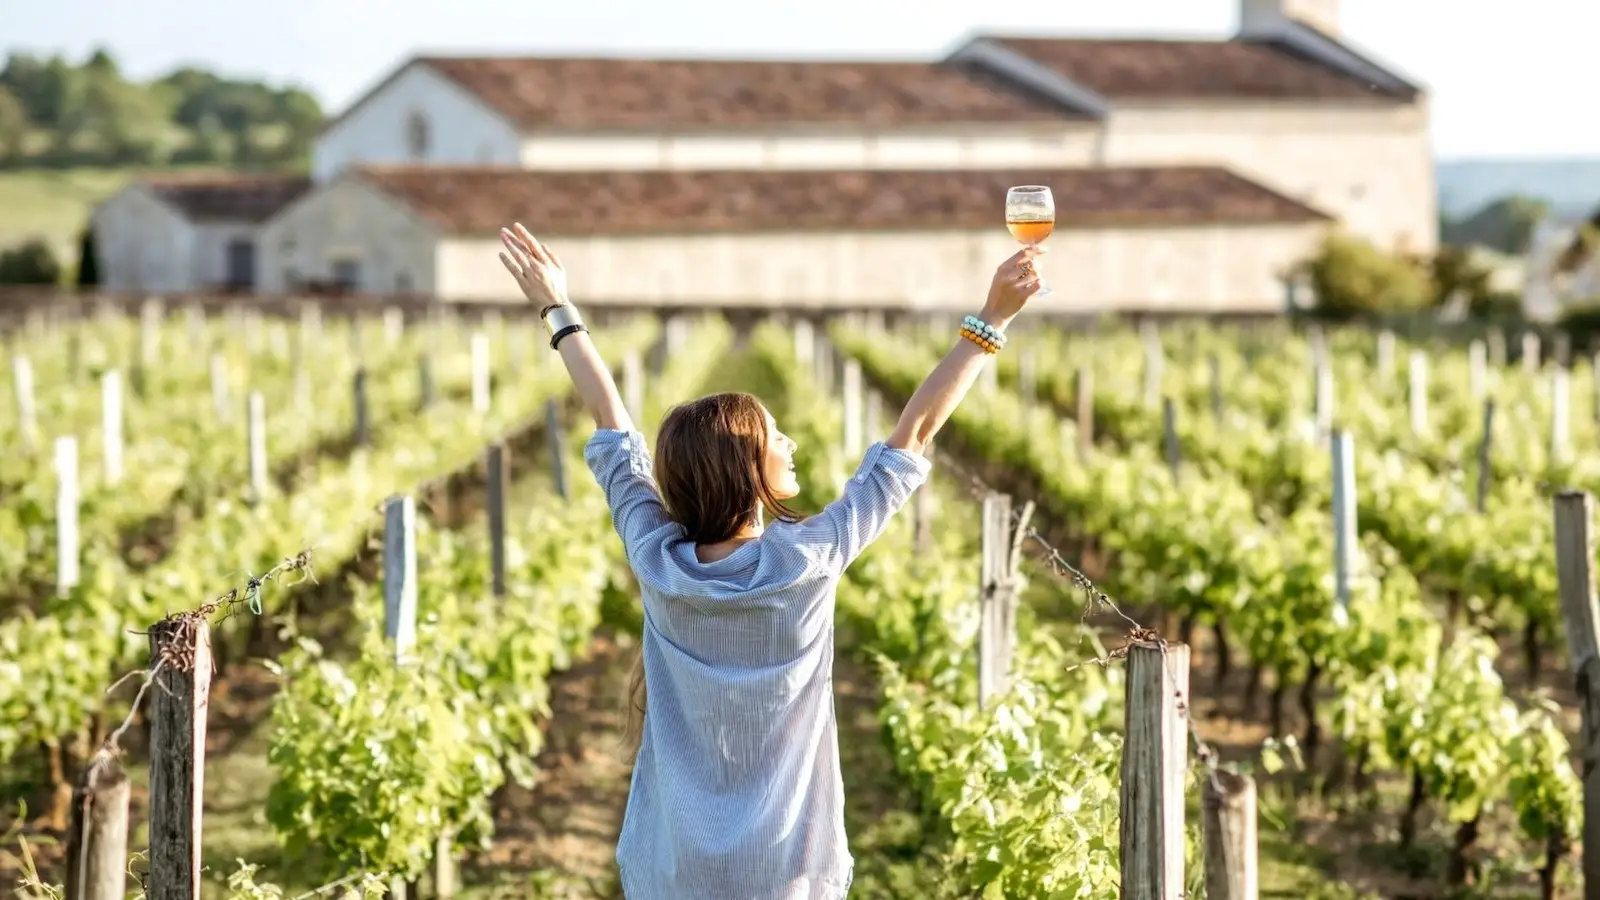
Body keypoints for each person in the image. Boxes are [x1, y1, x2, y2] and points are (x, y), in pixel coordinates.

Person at [497, 223, 1043, 900]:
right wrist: (990, 319)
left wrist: (559, 310)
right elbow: (917, 434)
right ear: (749, 469)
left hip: (674, 873)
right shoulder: (810, 558)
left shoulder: (656, 558)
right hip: (787, 874)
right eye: (773, 435)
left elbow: (612, 426)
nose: (790, 441)